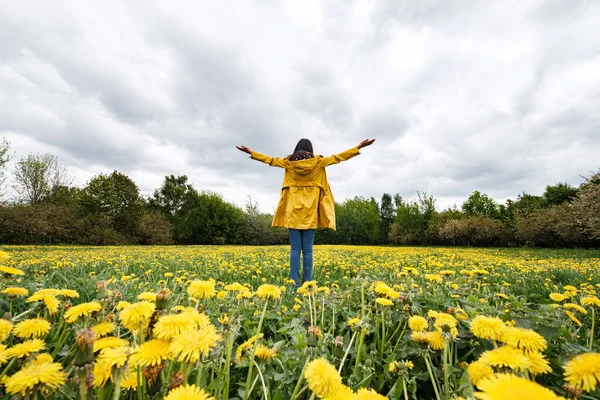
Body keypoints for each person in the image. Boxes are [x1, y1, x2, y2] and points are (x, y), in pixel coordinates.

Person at [236, 138, 375, 288]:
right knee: (308, 250)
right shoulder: (318, 162)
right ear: (311, 150)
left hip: (293, 211)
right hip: (311, 212)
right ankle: (308, 283)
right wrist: (359, 146)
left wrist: (251, 152)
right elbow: (338, 157)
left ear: (296, 150)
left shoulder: (288, 163)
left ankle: (294, 283)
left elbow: (270, 160)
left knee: (295, 249)